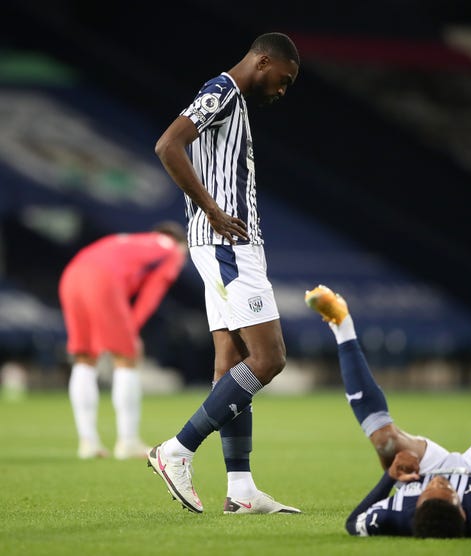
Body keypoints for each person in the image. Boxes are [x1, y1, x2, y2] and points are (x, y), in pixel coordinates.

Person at [147, 32, 301, 515]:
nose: (282, 89)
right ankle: (176, 450)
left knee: (230, 362)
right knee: (269, 357)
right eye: (284, 78)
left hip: (226, 244)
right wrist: (212, 209)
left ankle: (241, 489)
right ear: (263, 60)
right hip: (227, 245)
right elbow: (168, 144)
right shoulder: (222, 91)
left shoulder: (235, 103)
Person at [304, 281, 471, 538]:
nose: (439, 483)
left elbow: (354, 524)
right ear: (462, 510)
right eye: (445, 491)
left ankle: (341, 324)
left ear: (415, 509)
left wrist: (390, 477)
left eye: (430, 492)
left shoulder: (398, 515)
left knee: (384, 442)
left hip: (419, 472)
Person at [59, 221, 188, 460]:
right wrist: (132, 330)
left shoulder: (130, 239)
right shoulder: (172, 251)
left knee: (84, 358)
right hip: (102, 280)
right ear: (180, 244)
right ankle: (127, 441)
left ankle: (88, 442)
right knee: (127, 357)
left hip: (72, 275)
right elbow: (152, 293)